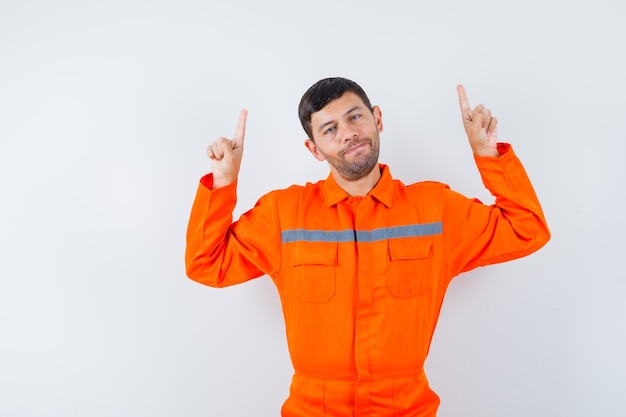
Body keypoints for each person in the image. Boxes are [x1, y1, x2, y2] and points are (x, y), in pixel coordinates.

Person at [185, 77, 550, 417]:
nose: (349, 134)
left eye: (355, 116)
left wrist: (489, 156)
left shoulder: (436, 210)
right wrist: (223, 182)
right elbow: (206, 262)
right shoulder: (284, 215)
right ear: (314, 149)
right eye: (330, 129)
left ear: (376, 118)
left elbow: (526, 228)